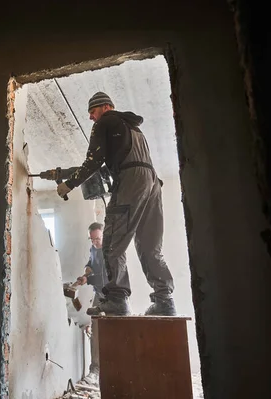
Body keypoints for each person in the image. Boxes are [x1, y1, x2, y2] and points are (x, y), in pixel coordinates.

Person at [57, 92, 176, 316]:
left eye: (92, 112)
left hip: (131, 181)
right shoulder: (134, 128)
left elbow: (93, 160)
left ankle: (118, 300)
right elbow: (114, 162)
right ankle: (165, 301)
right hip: (151, 182)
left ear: (105, 107)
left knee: (111, 243)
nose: (91, 118)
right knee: (150, 247)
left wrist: (69, 184)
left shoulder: (105, 121)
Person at [75, 222, 108, 386]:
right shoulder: (94, 248)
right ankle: (95, 371)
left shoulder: (111, 250)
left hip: (114, 295)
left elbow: (104, 277)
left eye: (98, 238)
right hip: (98, 294)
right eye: (92, 239)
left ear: (104, 234)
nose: (95, 242)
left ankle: (115, 370)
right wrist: (87, 270)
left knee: (116, 332)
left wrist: (87, 279)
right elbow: (91, 262)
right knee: (95, 332)